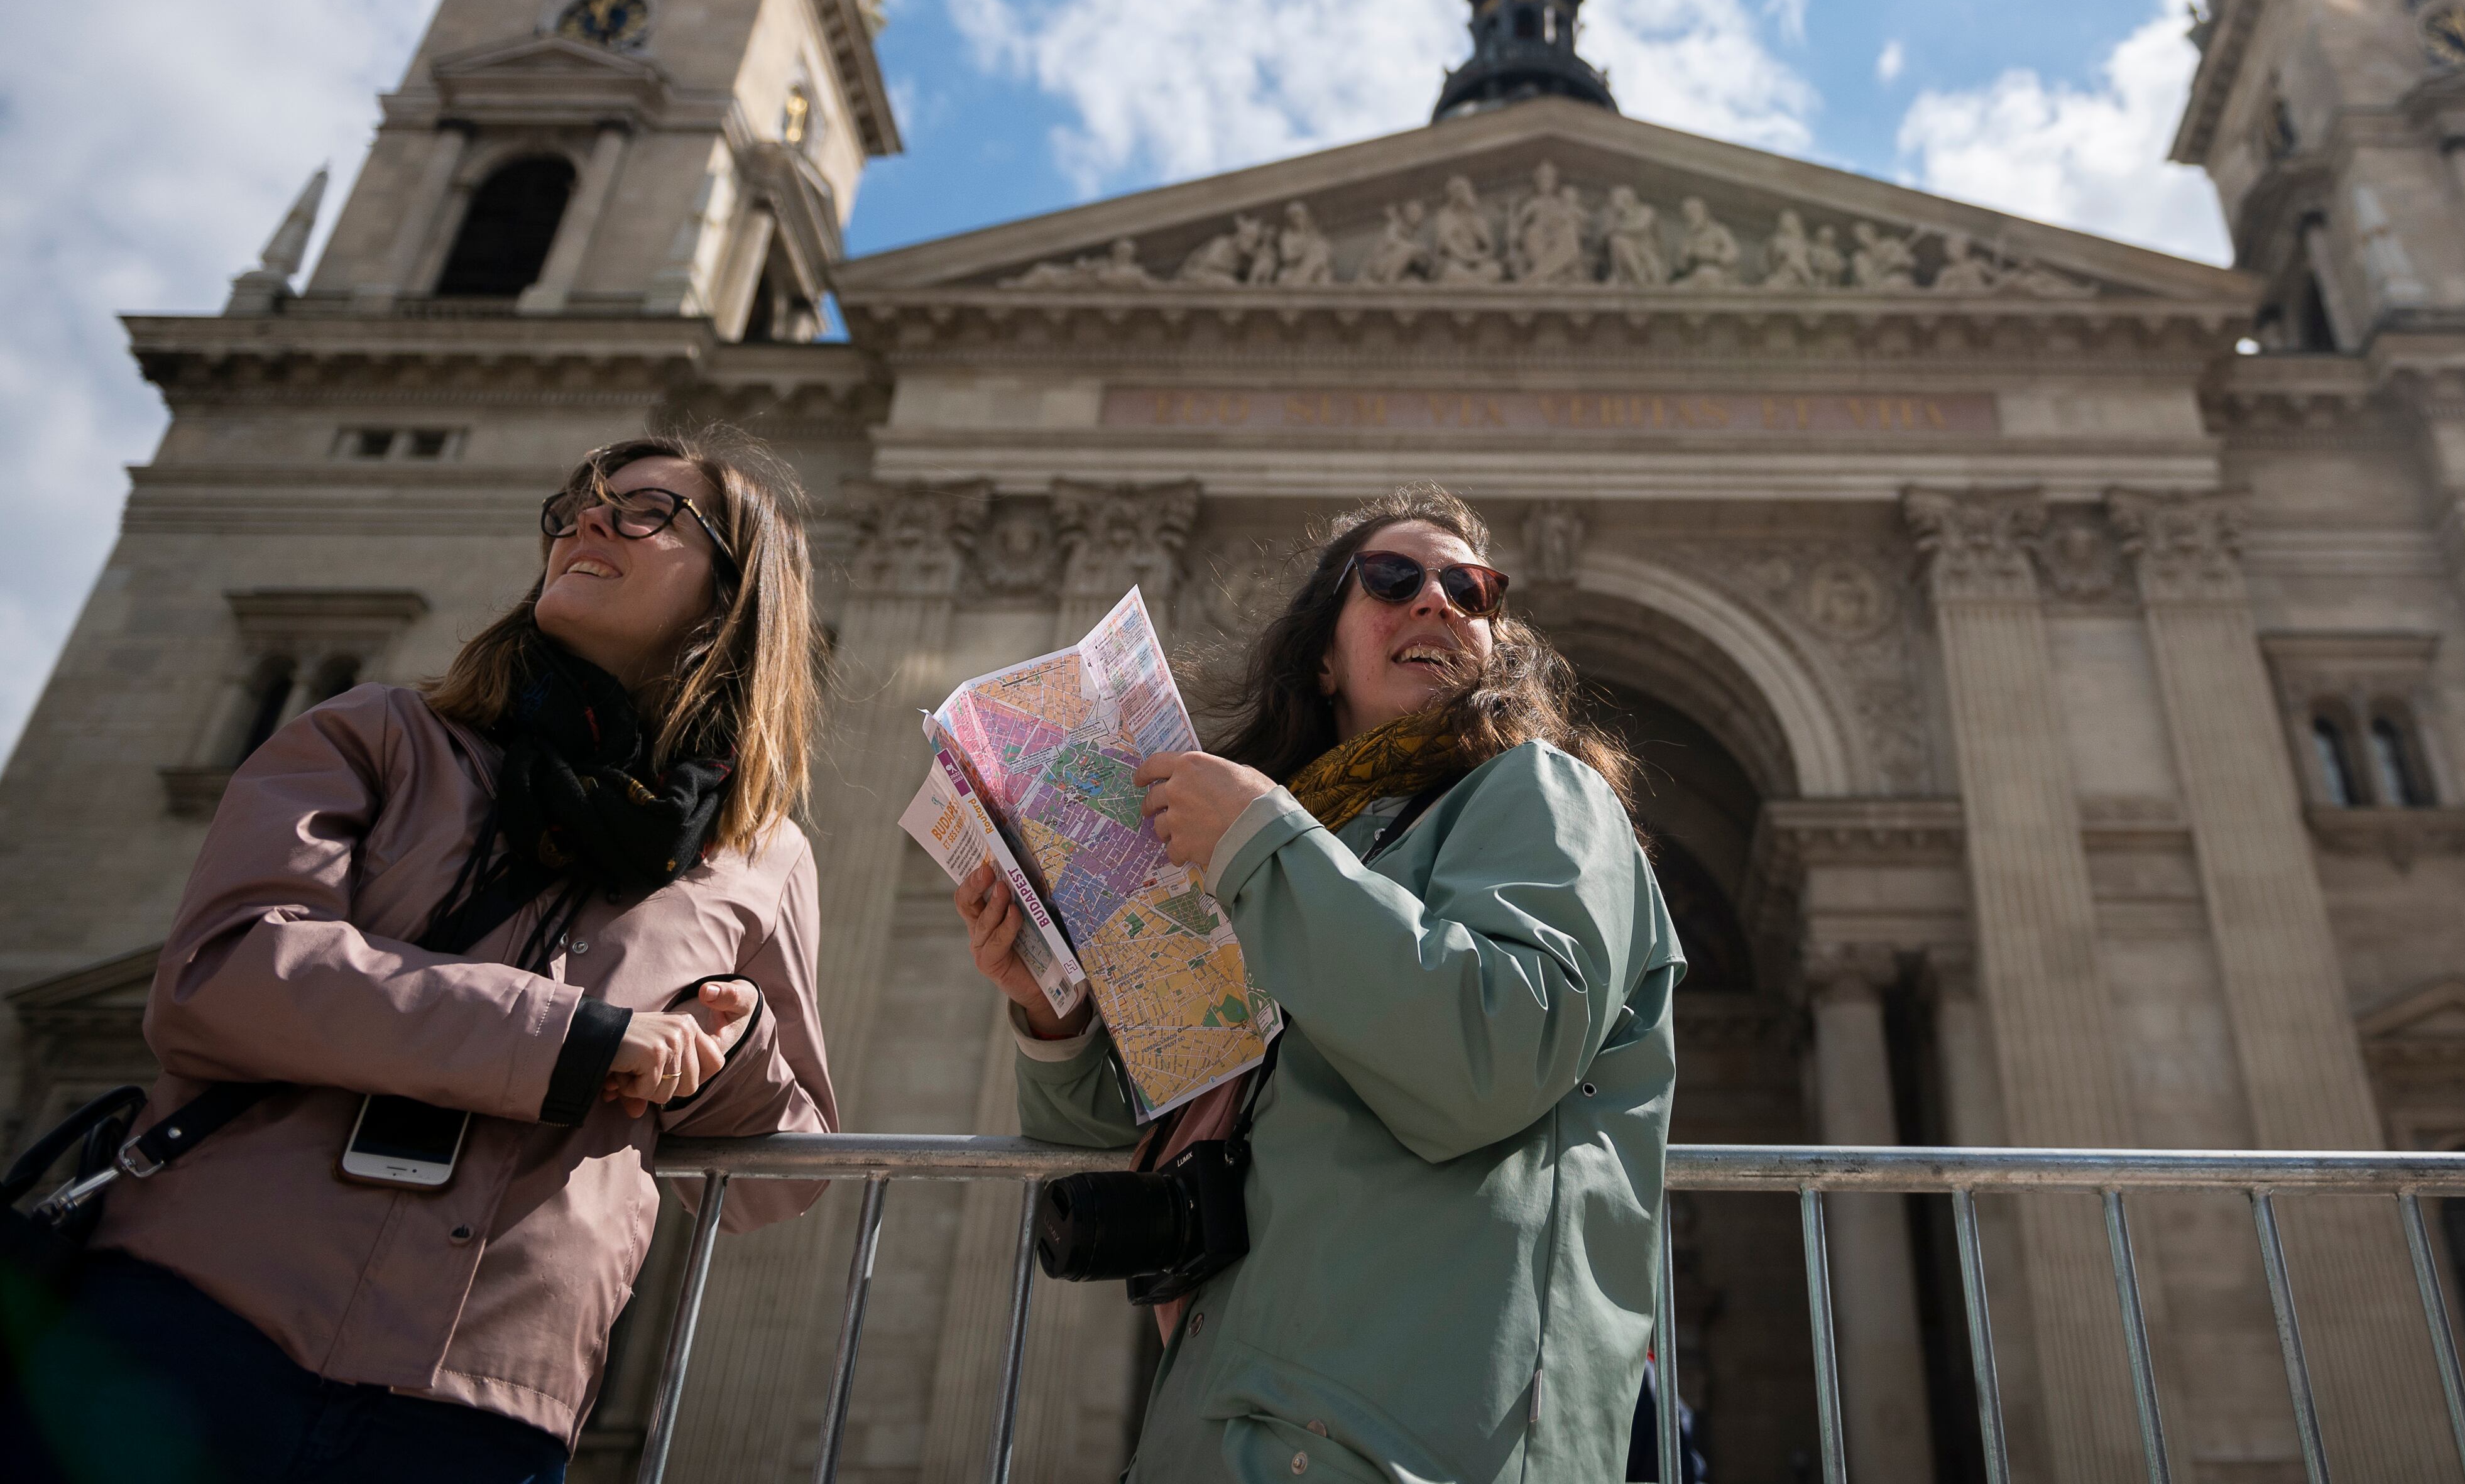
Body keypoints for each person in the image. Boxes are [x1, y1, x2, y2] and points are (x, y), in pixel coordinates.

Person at [41, 432, 838, 1484]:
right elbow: (224, 974)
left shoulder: (763, 855)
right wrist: (579, 1041)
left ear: (733, 599)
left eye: (647, 511)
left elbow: (786, 1173)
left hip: (488, 1404)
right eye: (576, 504)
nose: (588, 520)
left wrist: (719, 1056)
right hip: (200, 1322)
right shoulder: (380, 736)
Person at [954, 487, 1682, 1481]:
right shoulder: (1301, 854)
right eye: (1392, 578)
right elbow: (1148, 1118)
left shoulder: (1540, 791)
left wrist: (1263, 844)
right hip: (1237, 1412)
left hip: (1409, 1428)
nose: (1437, 600)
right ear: (1325, 656)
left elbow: (1496, 1052)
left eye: (1471, 589)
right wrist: (1055, 1011)